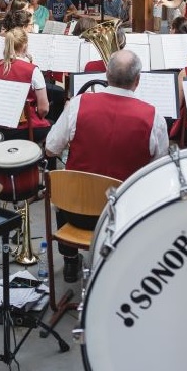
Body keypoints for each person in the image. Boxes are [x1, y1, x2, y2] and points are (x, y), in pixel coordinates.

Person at [45, 49, 168, 281]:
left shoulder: (79, 104)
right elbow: (157, 172)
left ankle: (70, 260)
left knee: (65, 186)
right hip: (122, 218)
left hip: (75, 213)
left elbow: (51, 147)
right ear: (138, 81)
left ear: (106, 75)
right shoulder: (154, 119)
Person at [0, 28, 49, 138]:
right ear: (24, 45)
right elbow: (44, 109)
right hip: (23, 128)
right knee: (52, 125)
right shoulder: (32, 70)